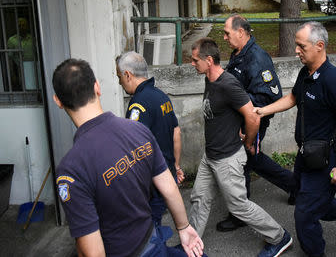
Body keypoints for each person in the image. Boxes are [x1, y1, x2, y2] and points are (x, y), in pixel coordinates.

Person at [53, 59, 203, 257]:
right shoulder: (137, 129)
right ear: (97, 87)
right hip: (153, 242)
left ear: (58, 101)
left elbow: (93, 252)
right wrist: (183, 228)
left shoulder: (71, 170)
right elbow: (169, 186)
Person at [255, 22, 336, 257]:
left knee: (305, 216)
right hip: (306, 155)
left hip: (326, 161)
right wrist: (261, 111)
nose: (296, 50)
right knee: (310, 201)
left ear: (319, 46)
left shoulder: (332, 79)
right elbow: (292, 98)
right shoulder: (306, 72)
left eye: (301, 46)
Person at [189, 38, 293, 257]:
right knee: (199, 198)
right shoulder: (210, 79)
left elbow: (253, 117)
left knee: (238, 206)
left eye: (194, 60)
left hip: (227, 159)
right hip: (211, 156)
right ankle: (191, 246)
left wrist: (247, 143)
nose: (191, 63)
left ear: (208, 60)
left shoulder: (228, 84)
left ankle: (279, 236)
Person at [217, 14, 296, 232]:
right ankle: (295, 186)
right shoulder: (239, 54)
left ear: (240, 32)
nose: (224, 37)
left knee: (243, 164)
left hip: (253, 122)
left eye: (227, 33)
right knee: (253, 160)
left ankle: (239, 213)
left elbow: (271, 95)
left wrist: (239, 101)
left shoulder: (257, 58)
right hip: (239, 121)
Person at [116, 51, 184, 226]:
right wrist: (175, 166)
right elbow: (176, 132)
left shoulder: (138, 104)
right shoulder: (161, 96)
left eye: (119, 77)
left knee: (149, 230)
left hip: (151, 184)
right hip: (167, 174)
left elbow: (134, 146)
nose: (119, 82)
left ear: (128, 75)